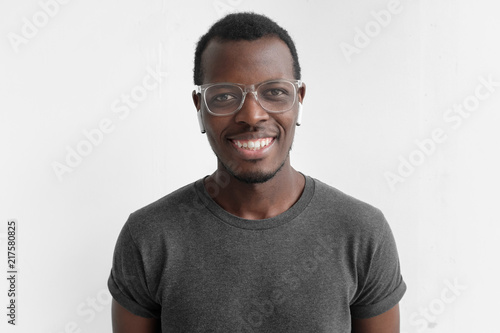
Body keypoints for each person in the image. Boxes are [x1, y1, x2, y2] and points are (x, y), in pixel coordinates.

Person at [108, 12, 406, 333]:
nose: (252, 115)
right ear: (200, 107)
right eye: (224, 96)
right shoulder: (149, 238)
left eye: (274, 92)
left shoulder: (362, 233)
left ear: (298, 100)